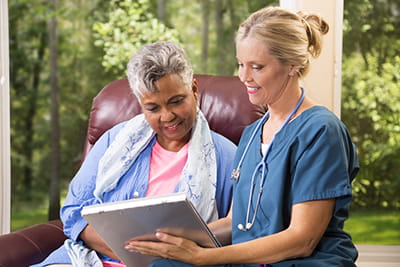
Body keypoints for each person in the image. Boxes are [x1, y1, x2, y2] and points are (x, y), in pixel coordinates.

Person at [125, 6, 359, 267]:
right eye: (240, 64)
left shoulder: (320, 131)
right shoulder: (251, 135)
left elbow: (302, 240)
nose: (244, 77)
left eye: (257, 67)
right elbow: (234, 221)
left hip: (303, 261)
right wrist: (174, 241)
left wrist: (205, 257)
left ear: (292, 65)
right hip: (249, 260)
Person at [32, 41, 236, 267]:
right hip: (86, 259)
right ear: (141, 104)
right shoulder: (114, 140)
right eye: (153, 108)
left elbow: (236, 231)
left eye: (176, 102)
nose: (167, 116)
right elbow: (74, 213)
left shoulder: (228, 157)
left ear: (194, 90)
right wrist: (131, 256)